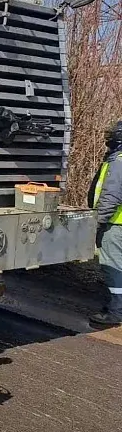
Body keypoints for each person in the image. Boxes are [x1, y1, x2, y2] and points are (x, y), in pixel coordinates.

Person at [88, 120, 122, 327]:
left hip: (115, 224)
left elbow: (111, 196)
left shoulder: (118, 160)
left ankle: (117, 311)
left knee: (113, 267)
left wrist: (98, 222)